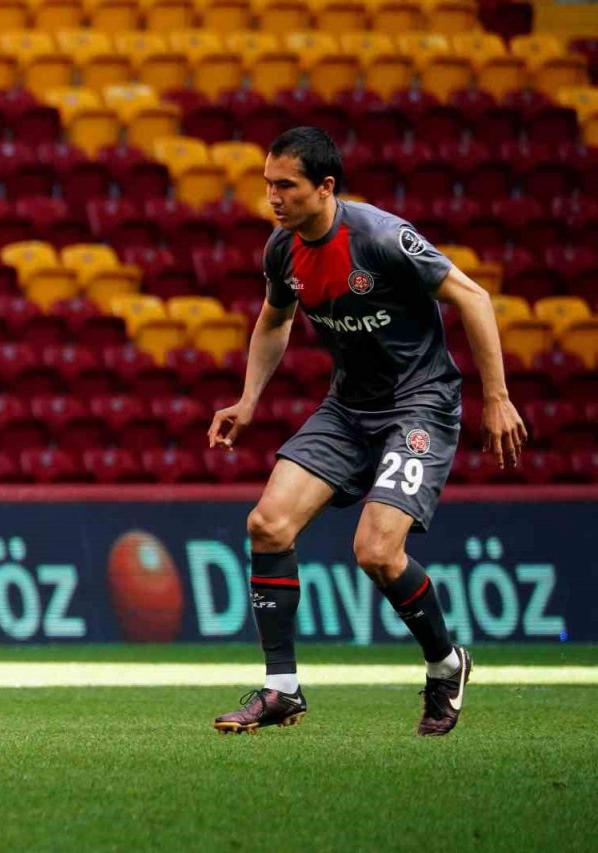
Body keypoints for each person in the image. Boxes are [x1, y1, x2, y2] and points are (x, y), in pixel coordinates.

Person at [207, 127, 527, 737]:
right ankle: (282, 691)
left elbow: (474, 297)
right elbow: (274, 321)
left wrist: (498, 397)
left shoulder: (380, 237)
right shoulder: (283, 250)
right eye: (267, 185)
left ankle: (445, 664)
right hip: (349, 408)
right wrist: (249, 399)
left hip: (419, 406)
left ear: (325, 188)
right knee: (267, 523)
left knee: (377, 553)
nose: (272, 197)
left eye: (286, 186)